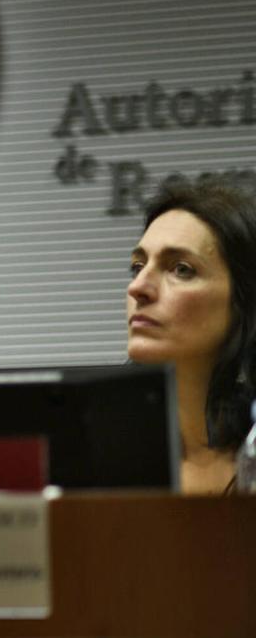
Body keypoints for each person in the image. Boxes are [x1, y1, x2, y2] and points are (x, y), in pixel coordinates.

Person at [127, 176, 256, 494]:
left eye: (181, 269)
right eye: (138, 266)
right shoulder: (94, 449)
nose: (138, 287)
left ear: (243, 302)